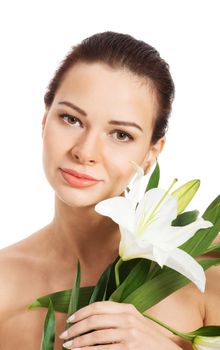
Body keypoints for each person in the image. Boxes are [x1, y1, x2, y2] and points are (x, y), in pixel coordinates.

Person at [0, 31, 219, 350]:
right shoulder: (4, 283)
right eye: (71, 119)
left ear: (151, 154)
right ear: (45, 120)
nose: (85, 151)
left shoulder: (206, 266)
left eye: (120, 134)